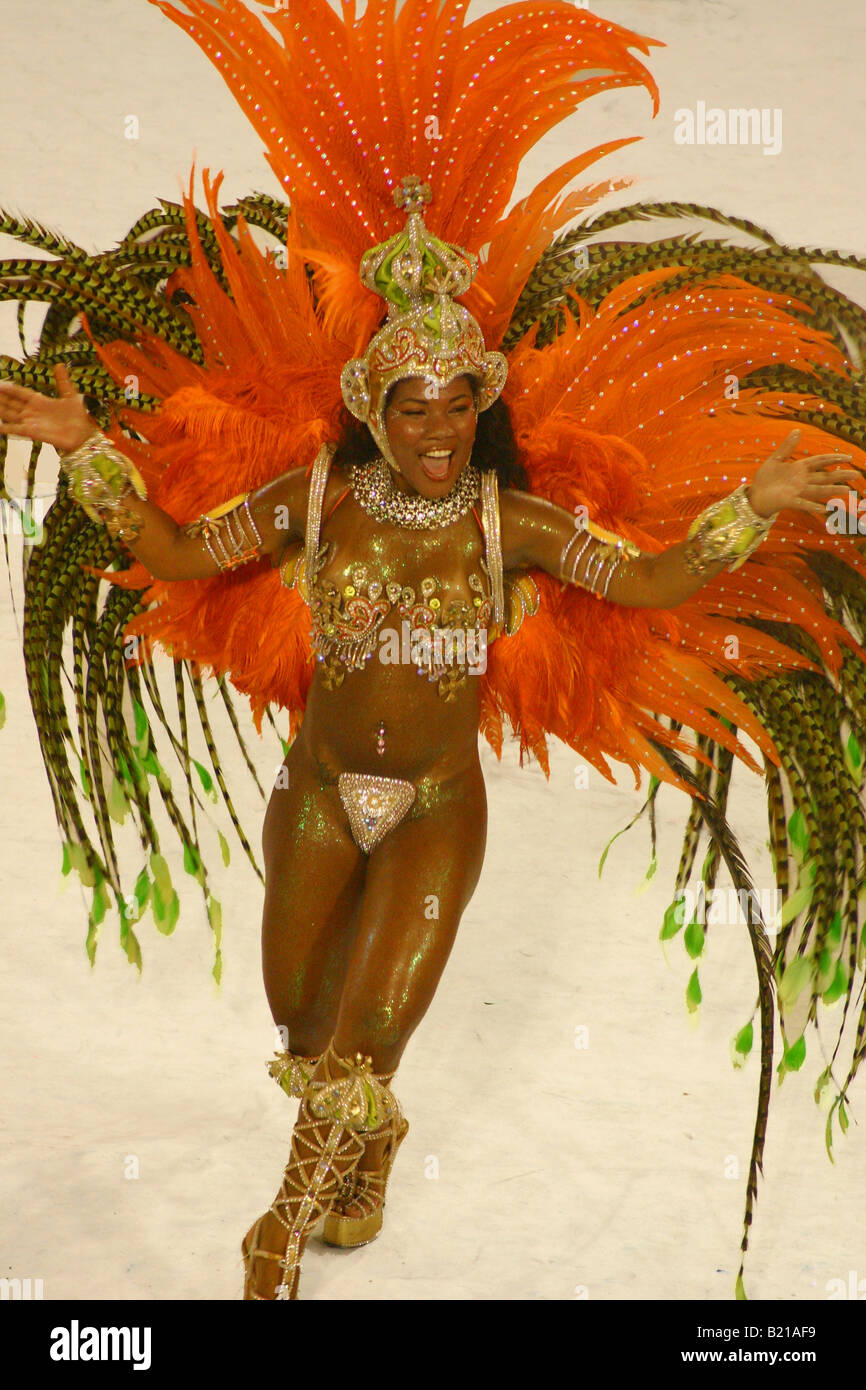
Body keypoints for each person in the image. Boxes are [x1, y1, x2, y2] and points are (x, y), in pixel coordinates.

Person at [0, 176, 857, 1298]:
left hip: (435, 811)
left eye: (459, 405)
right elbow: (171, 555)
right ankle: (373, 1150)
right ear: (373, 408)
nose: (441, 429)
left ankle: (274, 1236)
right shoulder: (311, 500)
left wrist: (748, 503)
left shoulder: (518, 524)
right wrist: (84, 451)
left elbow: (651, 578)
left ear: (480, 407)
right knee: (305, 1029)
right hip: (315, 789)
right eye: (416, 407)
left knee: (365, 1041)